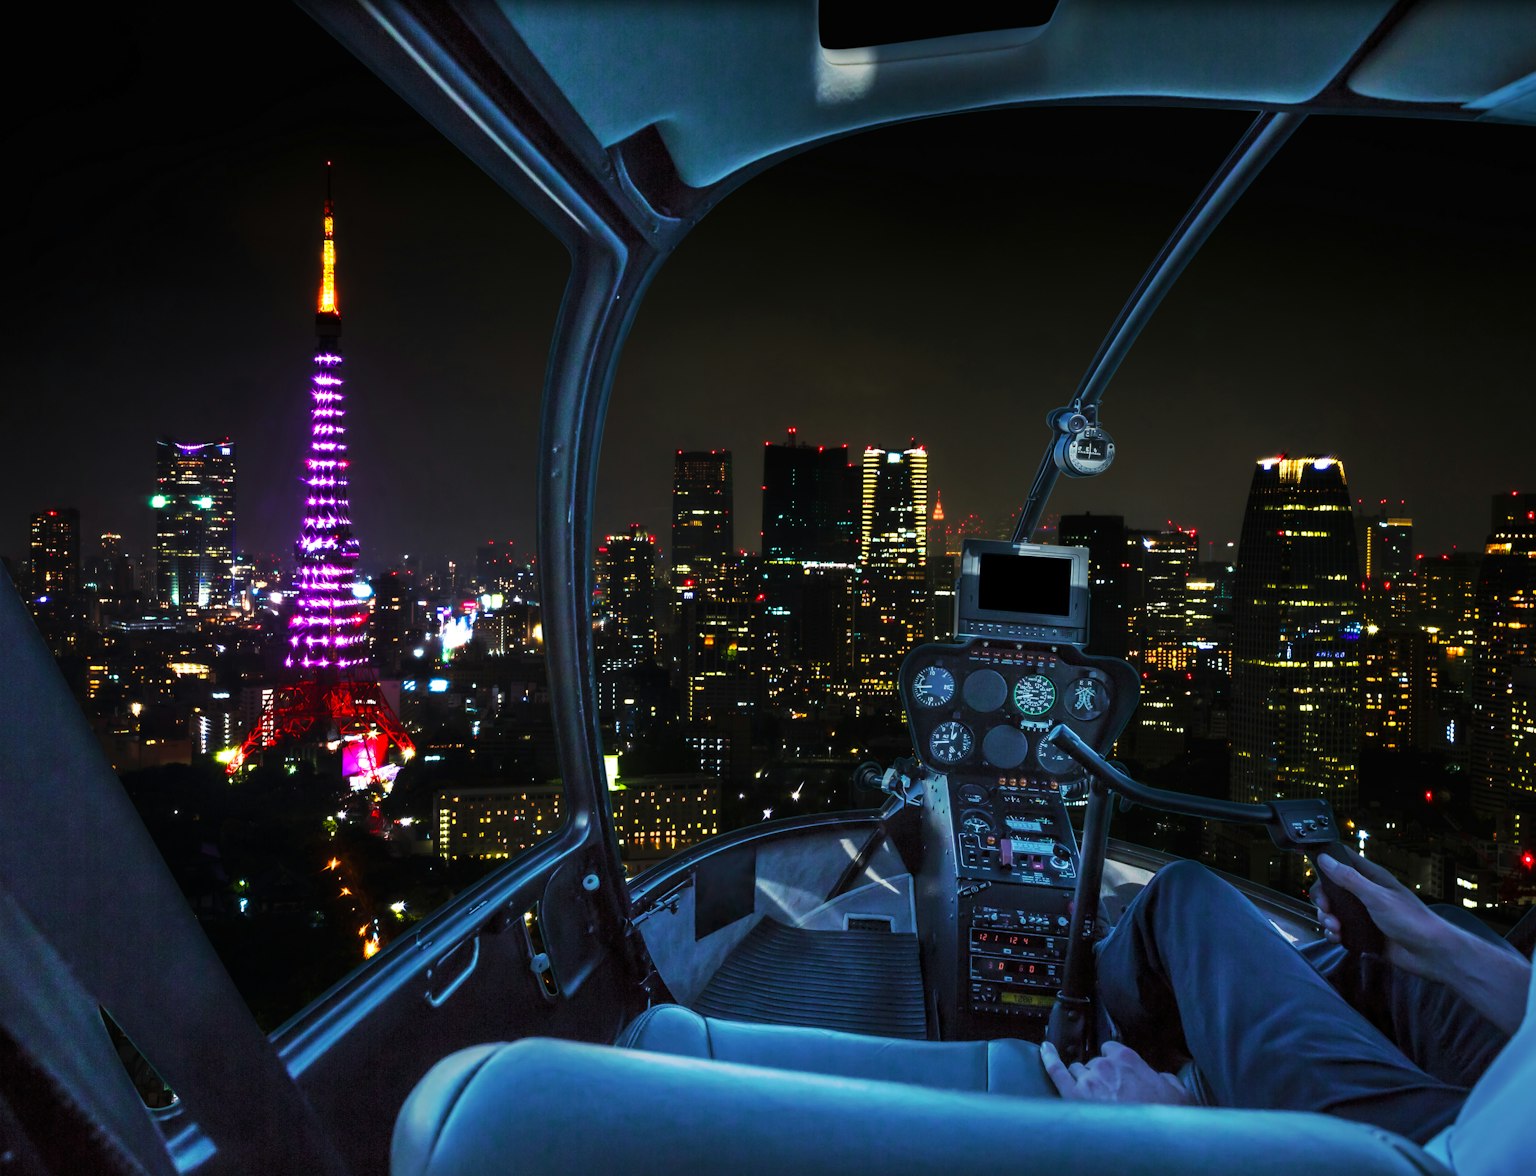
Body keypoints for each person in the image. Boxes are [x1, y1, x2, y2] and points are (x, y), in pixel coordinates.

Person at [1039, 848, 1532, 1156]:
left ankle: (1090, 992)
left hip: (1449, 1154)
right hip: (1514, 1098)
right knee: (1445, 929)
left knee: (1185, 897)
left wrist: (1187, 1137)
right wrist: (1436, 945)